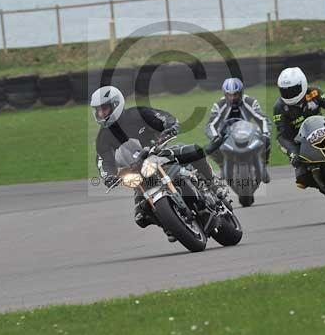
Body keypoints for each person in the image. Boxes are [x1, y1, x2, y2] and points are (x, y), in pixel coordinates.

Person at [91, 85, 226, 234]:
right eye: (98, 110)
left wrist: (170, 127)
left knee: (193, 150)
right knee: (140, 216)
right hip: (138, 172)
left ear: (115, 105)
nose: (101, 113)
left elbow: (164, 118)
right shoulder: (102, 138)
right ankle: (170, 226)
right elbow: (104, 161)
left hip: (160, 153)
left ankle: (213, 183)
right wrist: (109, 176)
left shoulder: (137, 114)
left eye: (104, 109)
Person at [205, 77, 271, 183]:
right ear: (225, 94)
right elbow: (210, 125)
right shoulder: (218, 105)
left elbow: (263, 119)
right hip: (226, 134)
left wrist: (265, 133)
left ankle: (263, 163)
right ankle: (222, 165)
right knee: (209, 148)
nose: (232, 98)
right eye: (229, 95)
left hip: (249, 131)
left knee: (266, 140)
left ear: (241, 93)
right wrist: (215, 136)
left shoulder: (250, 102)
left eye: (235, 94)